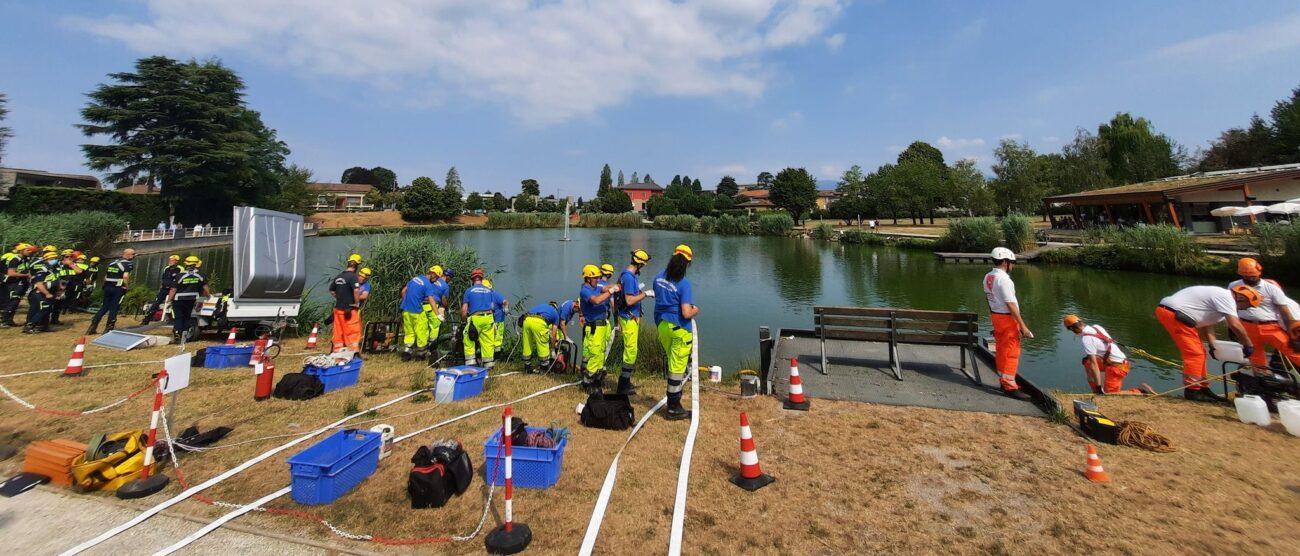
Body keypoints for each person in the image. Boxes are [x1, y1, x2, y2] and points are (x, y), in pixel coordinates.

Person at [1156, 285, 1258, 402]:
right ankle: (1193, 391)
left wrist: (1212, 345)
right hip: (1175, 314)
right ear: (1241, 298)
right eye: (1248, 306)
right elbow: (1235, 324)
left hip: (1175, 313)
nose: (1245, 309)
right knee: (1194, 354)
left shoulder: (1220, 300)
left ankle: (1203, 388)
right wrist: (1248, 345)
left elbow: (1207, 325)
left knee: (1201, 352)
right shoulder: (1227, 298)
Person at [1228, 258, 1300, 368]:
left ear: (1259, 273)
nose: (1251, 278)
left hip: (1270, 326)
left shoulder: (1271, 288)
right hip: (1246, 326)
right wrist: (1232, 327)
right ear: (1241, 274)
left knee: (1293, 350)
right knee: (1255, 355)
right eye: (1247, 276)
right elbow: (1230, 307)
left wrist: (1293, 334)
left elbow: (1285, 312)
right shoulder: (1233, 286)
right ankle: (1262, 379)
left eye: (1253, 276)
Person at [982, 247, 1033, 400]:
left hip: (996, 317)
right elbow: (1011, 304)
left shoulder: (988, 277)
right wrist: (1023, 326)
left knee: (1001, 349)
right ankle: (1010, 386)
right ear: (1005, 262)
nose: (1013, 266)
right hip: (1007, 319)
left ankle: (1004, 380)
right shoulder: (1004, 280)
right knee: (1012, 352)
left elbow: (988, 299)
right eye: (1012, 263)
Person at [654, 245, 697, 420]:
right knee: (677, 368)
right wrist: (696, 310)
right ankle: (673, 406)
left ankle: (673, 400)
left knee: (673, 364)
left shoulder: (658, 278)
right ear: (687, 264)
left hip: (662, 326)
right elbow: (686, 312)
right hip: (679, 329)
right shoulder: (683, 284)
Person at [1062, 315, 1149, 395]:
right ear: (1081, 321)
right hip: (1117, 360)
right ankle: (1097, 390)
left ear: (1073, 329)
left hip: (1118, 368)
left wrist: (1098, 387)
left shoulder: (1086, 339)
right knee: (1087, 361)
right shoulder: (1096, 327)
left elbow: (1094, 364)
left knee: (1111, 396)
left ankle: (1140, 390)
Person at [615, 249, 653, 395]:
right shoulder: (629, 277)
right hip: (629, 318)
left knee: (631, 350)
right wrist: (645, 294)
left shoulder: (627, 275)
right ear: (639, 264)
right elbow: (629, 300)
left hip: (629, 317)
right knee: (630, 352)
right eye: (643, 265)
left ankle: (626, 382)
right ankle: (623, 385)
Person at [579, 264, 619, 393]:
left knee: (601, 353)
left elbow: (605, 287)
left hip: (602, 326)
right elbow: (596, 301)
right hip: (593, 327)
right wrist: (610, 292)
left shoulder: (596, 287)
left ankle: (597, 378)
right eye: (595, 278)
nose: (598, 279)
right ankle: (587, 382)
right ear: (588, 279)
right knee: (595, 354)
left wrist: (618, 286)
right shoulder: (585, 290)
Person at [520, 299, 578, 373]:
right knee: (543, 344)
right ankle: (543, 368)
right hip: (539, 322)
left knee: (527, 344)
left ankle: (527, 367)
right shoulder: (556, 315)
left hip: (526, 320)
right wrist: (553, 350)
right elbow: (553, 335)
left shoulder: (543, 305)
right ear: (556, 309)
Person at [86, 249, 135, 334]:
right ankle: (108, 328)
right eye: (133, 254)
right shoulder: (128, 264)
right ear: (127, 255)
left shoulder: (112, 263)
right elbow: (126, 276)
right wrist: (127, 287)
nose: (135, 256)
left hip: (107, 287)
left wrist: (105, 286)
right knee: (114, 308)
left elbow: (105, 276)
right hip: (118, 288)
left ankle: (92, 326)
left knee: (104, 307)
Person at [461, 268, 499, 368]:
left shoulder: (469, 291)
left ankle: (471, 365)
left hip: (475, 318)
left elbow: (464, 310)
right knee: (488, 342)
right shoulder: (489, 291)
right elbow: (493, 307)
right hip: (489, 318)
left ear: (472, 280)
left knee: (468, 339)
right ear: (482, 279)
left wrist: (464, 321)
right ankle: (489, 366)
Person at [400, 267, 440, 360]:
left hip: (406, 310)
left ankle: (406, 353)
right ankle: (420, 354)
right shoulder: (427, 284)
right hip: (417, 311)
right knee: (422, 331)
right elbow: (431, 301)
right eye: (437, 278)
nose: (436, 280)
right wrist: (438, 314)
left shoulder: (415, 279)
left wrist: (405, 303)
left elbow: (403, 291)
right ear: (433, 274)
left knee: (409, 332)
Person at [166, 256, 208, 342]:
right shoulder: (200, 275)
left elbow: (173, 289)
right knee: (187, 317)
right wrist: (208, 296)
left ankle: (177, 334)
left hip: (178, 300)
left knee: (178, 317)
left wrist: (169, 300)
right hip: (191, 299)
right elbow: (205, 288)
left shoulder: (180, 275)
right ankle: (184, 335)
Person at [22, 251, 63, 334]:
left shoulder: (54, 269)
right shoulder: (42, 270)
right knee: (44, 308)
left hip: (50, 292)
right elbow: (39, 284)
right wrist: (47, 293)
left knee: (46, 309)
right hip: (39, 293)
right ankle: (30, 325)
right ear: (47, 259)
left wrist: (59, 289)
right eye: (52, 258)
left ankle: (42, 326)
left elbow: (56, 280)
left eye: (55, 258)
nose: (55, 260)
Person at [329, 254, 364, 352]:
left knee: (338, 332)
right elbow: (356, 290)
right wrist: (356, 303)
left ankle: (337, 352)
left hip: (338, 309)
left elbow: (332, 291)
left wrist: (340, 298)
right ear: (357, 266)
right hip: (350, 310)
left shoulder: (339, 276)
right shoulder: (353, 277)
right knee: (352, 332)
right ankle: (353, 353)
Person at [1, 243, 39, 327]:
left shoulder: (26, 259)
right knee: (12, 302)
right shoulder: (15, 259)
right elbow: (11, 273)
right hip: (13, 284)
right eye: (27, 250)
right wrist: (26, 275)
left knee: (16, 301)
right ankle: (4, 321)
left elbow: (26, 269)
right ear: (21, 251)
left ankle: (9, 320)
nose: (29, 251)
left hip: (21, 283)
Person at [141, 255, 182, 325]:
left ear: (176, 261)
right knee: (156, 303)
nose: (170, 261)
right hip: (164, 289)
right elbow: (163, 279)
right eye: (170, 260)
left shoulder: (180, 269)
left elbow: (181, 279)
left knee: (173, 304)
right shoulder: (166, 268)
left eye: (172, 260)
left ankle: (174, 320)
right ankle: (146, 319)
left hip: (173, 290)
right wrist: (161, 287)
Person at [49, 249, 84, 325]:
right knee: (50, 304)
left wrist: (71, 264)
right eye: (67, 256)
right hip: (55, 286)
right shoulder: (57, 264)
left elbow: (80, 271)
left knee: (59, 304)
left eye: (71, 256)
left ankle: (54, 319)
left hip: (66, 287)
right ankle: (43, 321)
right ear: (63, 257)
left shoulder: (73, 265)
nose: (70, 258)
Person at [425, 266, 450, 354]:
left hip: (422, 305)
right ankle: (431, 347)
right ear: (448, 278)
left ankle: (421, 347)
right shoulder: (445, 286)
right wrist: (446, 308)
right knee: (435, 327)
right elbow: (444, 300)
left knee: (424, 327)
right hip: (433, 306)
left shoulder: (428, 279)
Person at [483, 278, 508, 353]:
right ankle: (491, 352)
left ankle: (497, 353)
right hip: (489, 320)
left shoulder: (495, 294)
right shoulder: (482, 296)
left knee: (497, 338)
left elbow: (505, 301)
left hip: (498, 319)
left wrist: (506, 308)